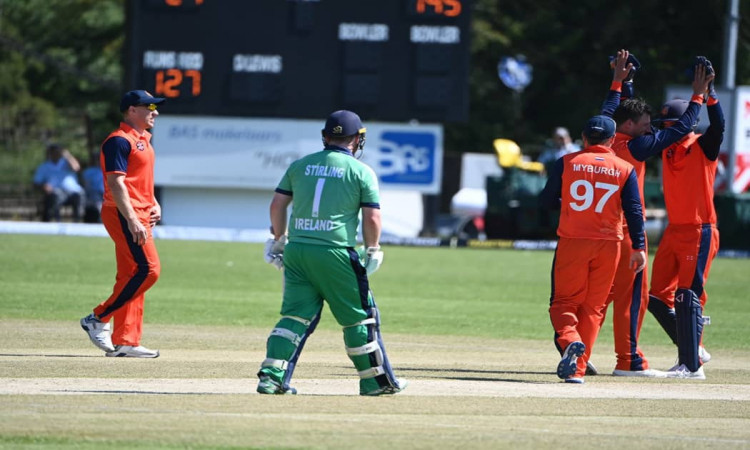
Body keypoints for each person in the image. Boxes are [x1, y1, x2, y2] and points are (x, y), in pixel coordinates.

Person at [256, 110, 407, 396]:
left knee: (294, 316)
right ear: (357, 139)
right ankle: (375, 382)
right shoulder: (361, 171)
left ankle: (271, 377)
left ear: (325, 136)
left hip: (297, 251)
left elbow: (277, 205)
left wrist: (278, 239)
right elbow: (372, 218)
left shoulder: (300, 165)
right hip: (336, 252)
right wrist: (373, 249)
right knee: (360, 318)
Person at [594, 50, 713, 377]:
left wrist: (621, 82)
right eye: (646, 126)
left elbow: (614, 111)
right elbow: (683, 127)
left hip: (599, 232)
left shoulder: (606, 138)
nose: (651, 130)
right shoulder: (638, 146)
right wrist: (699, 97)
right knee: (633, 299)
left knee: (599, 297)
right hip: (627, 233)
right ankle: (629, 361)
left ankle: (579, 350)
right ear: (632, 127)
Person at [540, 115, 647, 384]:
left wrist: (566, 206)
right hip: (610, 244)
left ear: (584, 137)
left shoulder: (566, 162)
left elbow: (545, 201)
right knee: (593, 308)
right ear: (612, 140)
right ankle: (576, 370)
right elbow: (634, 210)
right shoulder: (624, 168)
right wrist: (640, 246)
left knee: (563, 303)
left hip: (574, 240)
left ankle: (570, 340)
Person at [648, 57, 724, 380]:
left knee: (687, 296)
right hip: (673, 231)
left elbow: (718, 127)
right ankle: (694, 347)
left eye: (668, 126)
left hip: (699, 229)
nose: (665, 131)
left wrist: (709, 95)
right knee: (654, 297)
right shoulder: (667, 149)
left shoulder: (701, 146)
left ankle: (691, 366)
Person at [80, 90, 165, 358]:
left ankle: (126, 340)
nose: (155, 112)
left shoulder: (144, 141)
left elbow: (139, 181)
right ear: (131, 110)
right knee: (148, 270)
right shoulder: (118, 141)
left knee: (133, 274)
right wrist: (131, 219)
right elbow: (116, 184)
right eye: (149, 107)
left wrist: (154, 203)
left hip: (140, 213)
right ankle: (98, 317)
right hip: (123, 214)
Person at [32, 143, 85, 222]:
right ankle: (57, 223)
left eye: (58, 151)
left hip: (73, 192)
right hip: (56, 191)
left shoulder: (67, 163)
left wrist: (67, 155)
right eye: (54, 152)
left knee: (79, 195)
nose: (56, 153)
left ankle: (77, 223)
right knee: (54, 197)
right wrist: (44, 186)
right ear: (50, 153)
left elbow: (76, 168)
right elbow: (36, 183)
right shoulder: (44, 166)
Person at [81, 151, 105, 223]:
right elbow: (87, 185)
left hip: (106, 193)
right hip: (94, 194)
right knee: (97, 202)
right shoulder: (88, 171)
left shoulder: (106, 170)